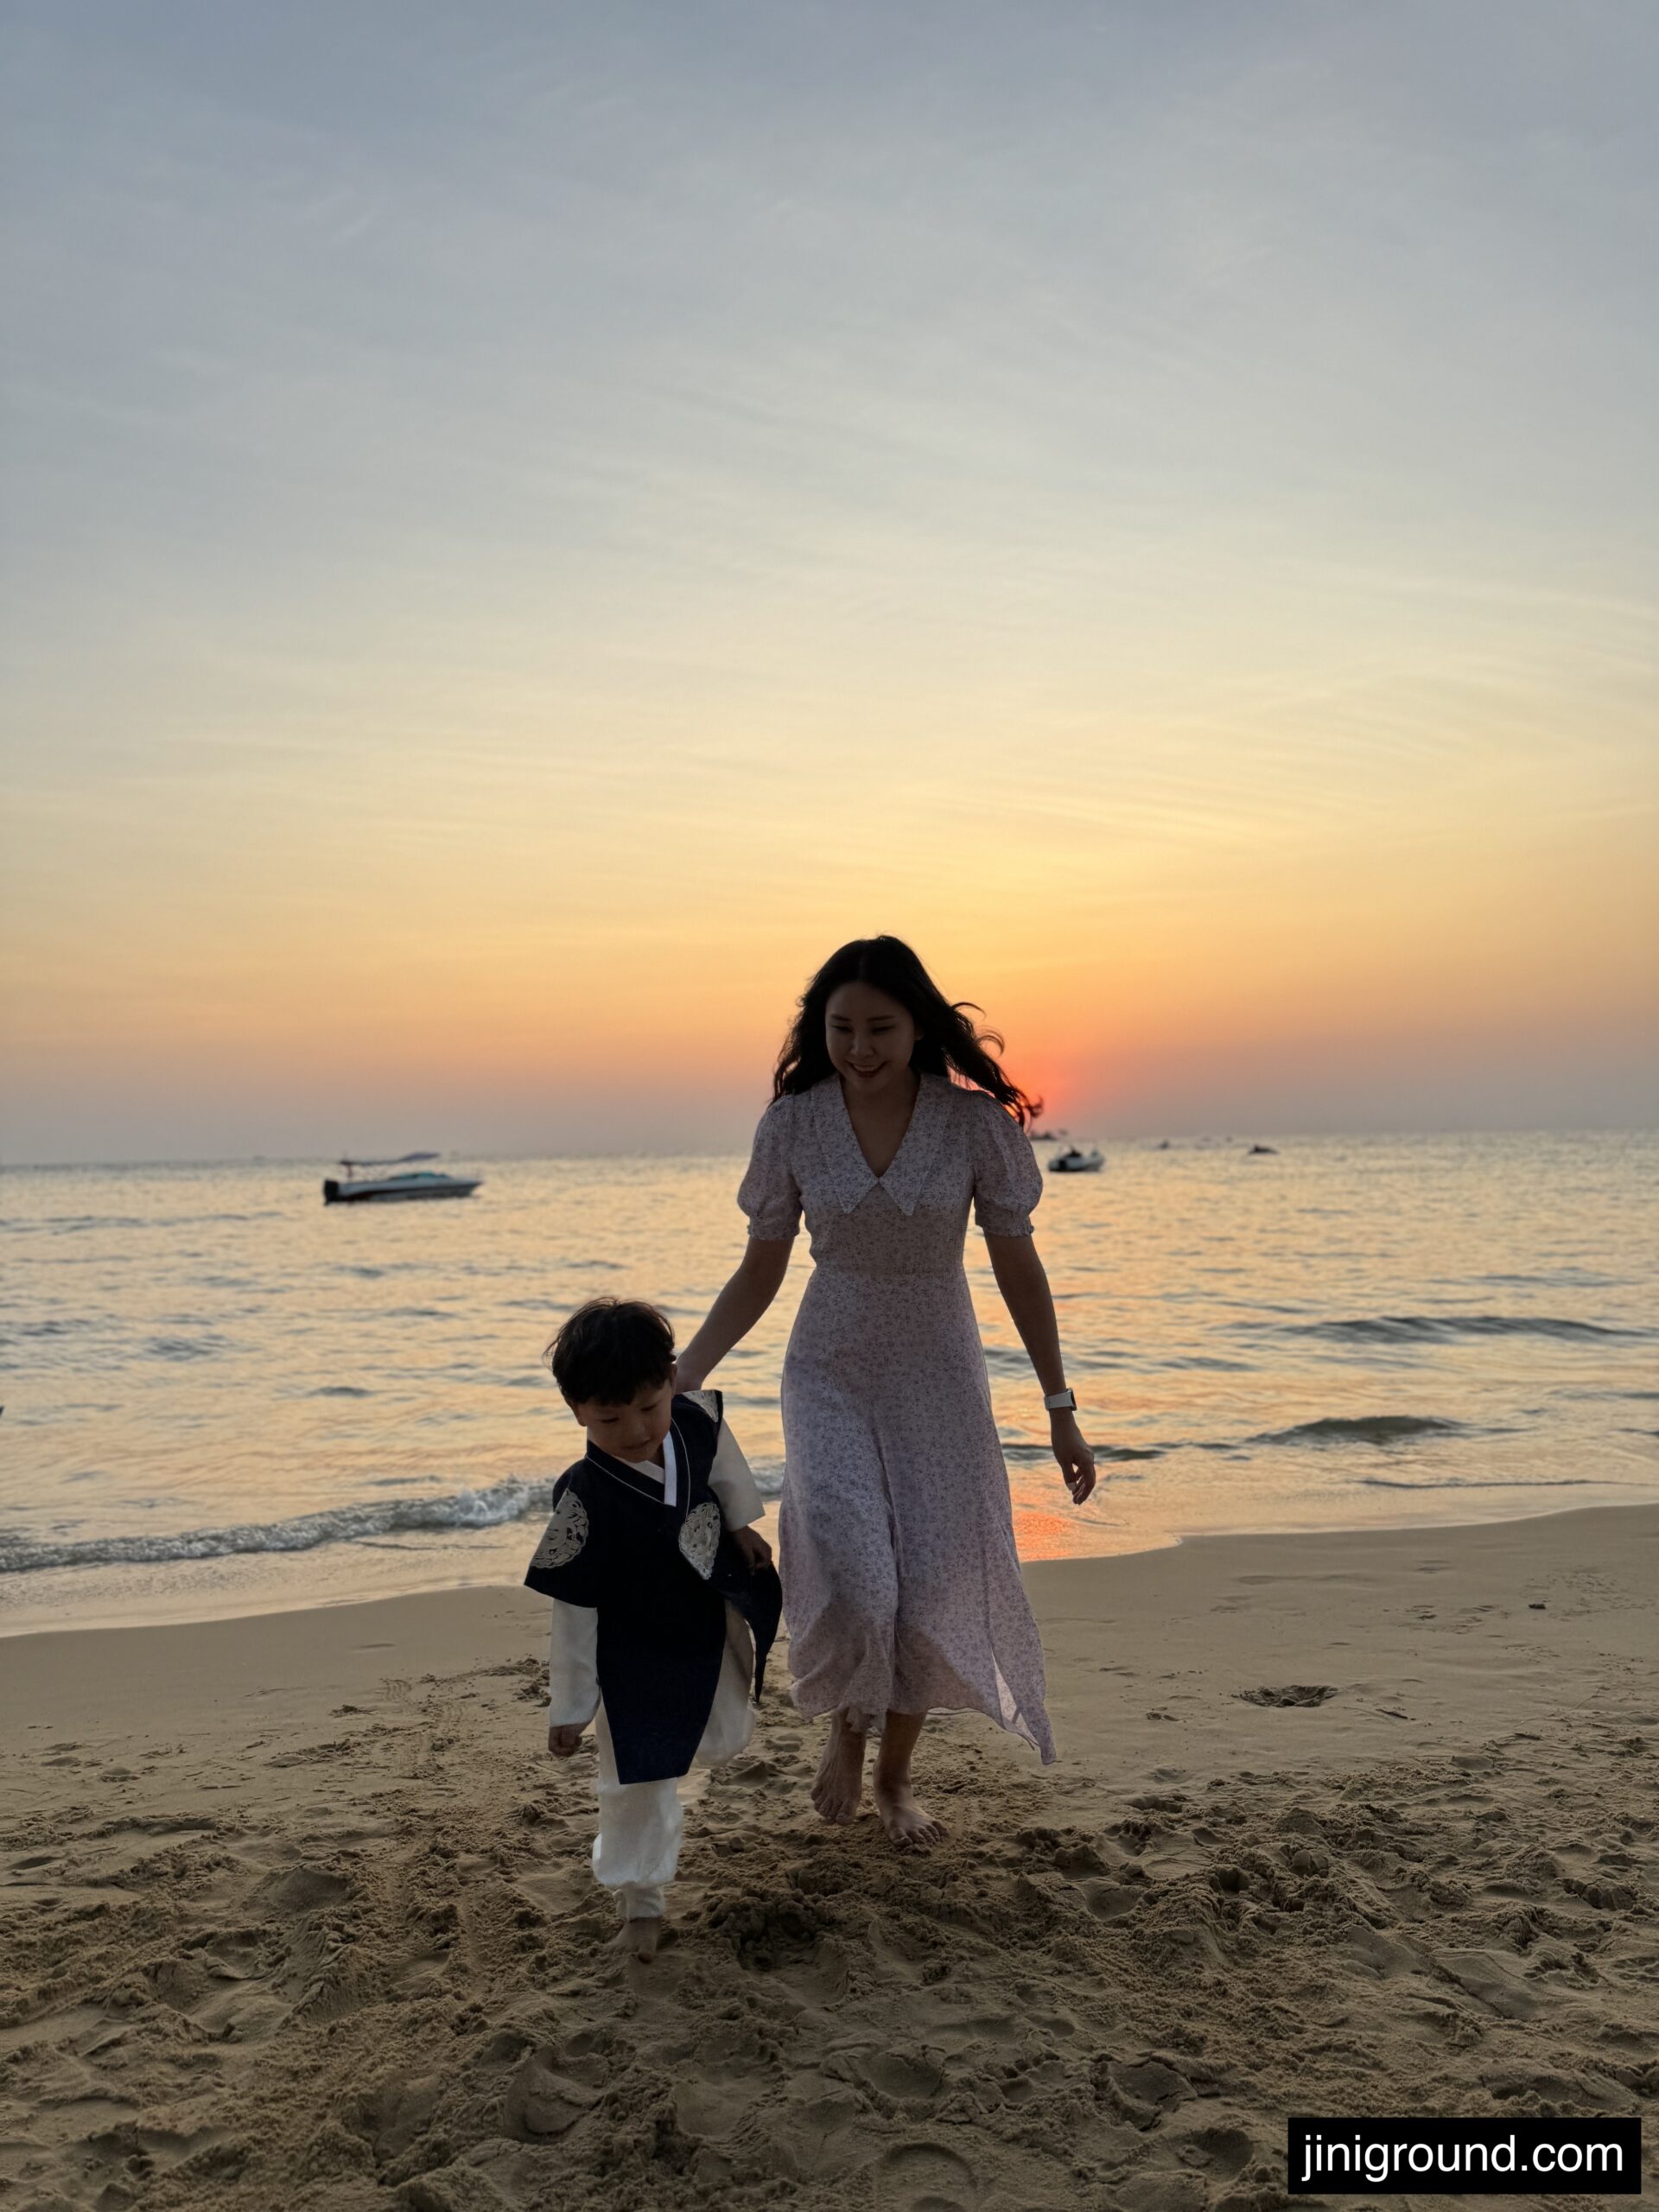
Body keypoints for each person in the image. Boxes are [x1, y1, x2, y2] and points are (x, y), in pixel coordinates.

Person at [676, 936, 1096, 1852]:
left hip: (940, 1374)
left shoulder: (973, 1124)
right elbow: (761, 1268)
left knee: (934, 1586)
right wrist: (688, 1368)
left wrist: (1060, 1405)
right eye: (840, 1028)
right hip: (829, 1369)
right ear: (816, 1029)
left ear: (918, 1027)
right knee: (861, 1575)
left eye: (879, 1027)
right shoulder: (793, 1126)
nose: (860, 1046)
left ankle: (896, 1780)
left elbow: (1019, 1265)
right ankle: (847, 1733)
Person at [525, 1297, 781, 1961]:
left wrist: (739, 1522)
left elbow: (723, 1464)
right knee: (635, 1777)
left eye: (649, 1406)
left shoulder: (694, 1421)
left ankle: (681, 1763)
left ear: (672, 1379)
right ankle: (641, 1905)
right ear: (577, 1410)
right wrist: (573, 1707)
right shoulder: (584, 1497)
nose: (637, 1430)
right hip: (630, 1654)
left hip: (704, 1616)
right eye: (610, 1418)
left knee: (722, 1733)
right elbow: (574, 1610)